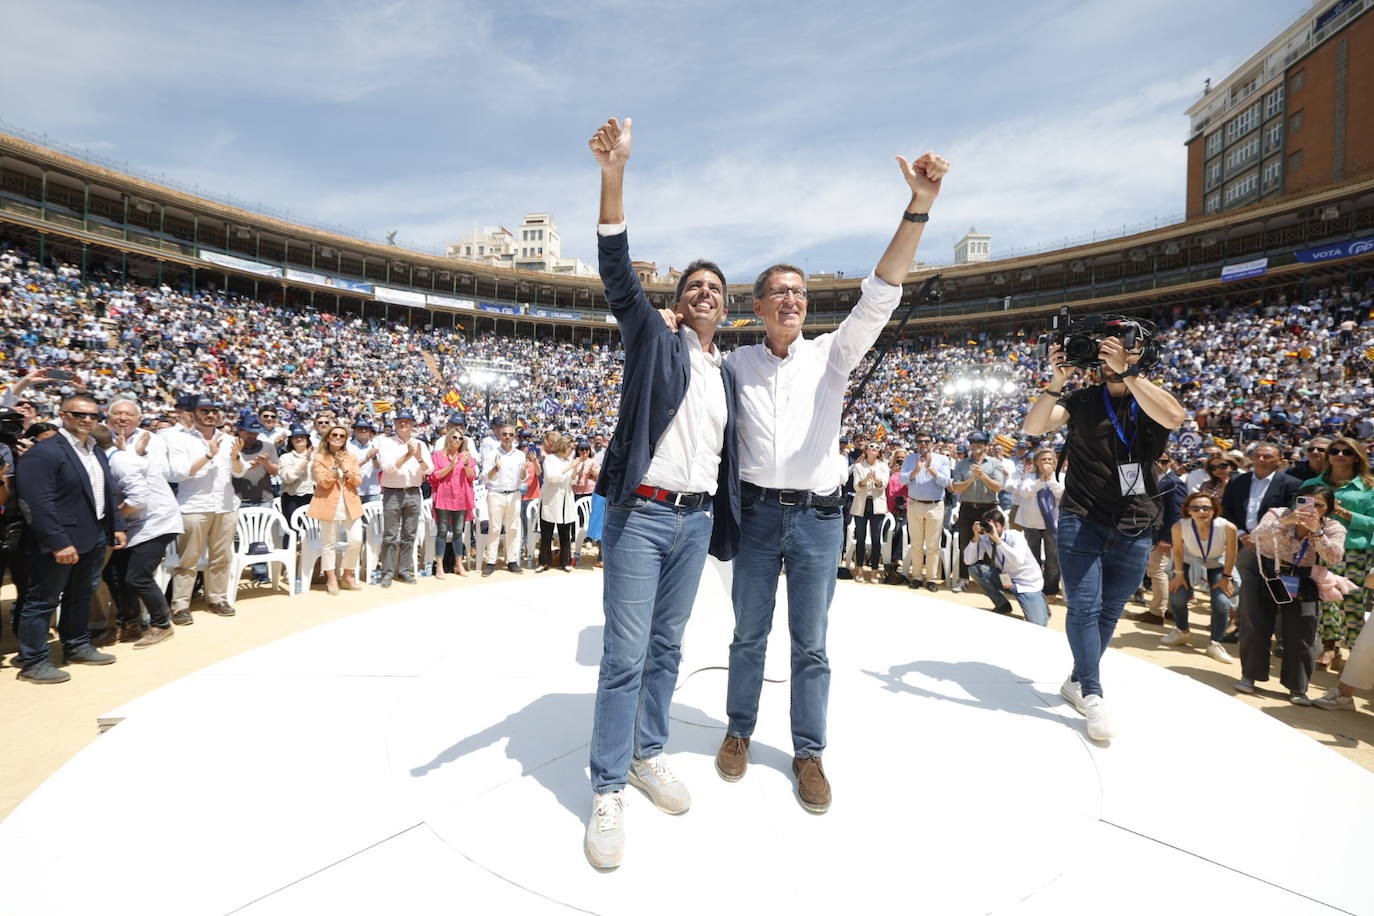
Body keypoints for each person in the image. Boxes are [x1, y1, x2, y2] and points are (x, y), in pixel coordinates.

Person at [718, 144, 949, 816]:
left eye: (800, 291)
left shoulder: (834, 354)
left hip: (819, 517)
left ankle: (807, 751)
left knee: (811, 643)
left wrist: (919, 206)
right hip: (758, 515)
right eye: (780, 291)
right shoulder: (735, 366)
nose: (793, 298)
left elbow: (881, 292)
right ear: (758, 305)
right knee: (746, 635)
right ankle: (738, 731)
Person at [584, 116, 741, 870]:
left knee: (669, 648)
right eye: (692, 285)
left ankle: (647, 753)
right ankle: (608, 785)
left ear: (725, 307)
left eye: (714, 287)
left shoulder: (727, 372)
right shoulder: (655, 339)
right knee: (624, 653)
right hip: (643, 514)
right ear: (678, 302)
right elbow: (617, 273)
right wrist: (615, 173)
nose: (703, 292)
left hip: (696, 522)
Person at [1023, 334, 1186, 742]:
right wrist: (1057, 380)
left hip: (1136, 520)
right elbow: (1033, 427)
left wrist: (1129, 374)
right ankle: (1093, 694)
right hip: (1082, 515)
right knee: (1084, 606)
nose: (1111, 358)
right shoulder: (1081, 400)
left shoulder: (1148, 397)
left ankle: (1077, 679)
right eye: (1107, 351)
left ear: (1140, 356)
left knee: (1111, 609)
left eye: (1124, 349)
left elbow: (1174, 418)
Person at [12, 395, 127, 683]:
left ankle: (76, 645)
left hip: (94, 536)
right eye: (79, 414)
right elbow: (37, 503)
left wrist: (116, 525)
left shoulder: (95, 450)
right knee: (42, 600)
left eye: (93, 416)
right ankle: (34, 661)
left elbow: (105, 492)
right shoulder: (45, 452)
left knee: (81, 595)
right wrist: (57, 542)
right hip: (61, 542)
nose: (87, 420)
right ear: (63, 415)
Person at [1235, 484, 1346, 703]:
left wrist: (1317, 532)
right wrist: (1285, 522)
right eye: (1305, 501)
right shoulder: (1277, 513)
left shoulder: (1334, 527)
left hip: (1303, 579)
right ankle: (1249, 675)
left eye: (1319, 505)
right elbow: (1255, 538)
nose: (1310, 508)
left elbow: (1334, 557)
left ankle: (1298, 687)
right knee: (1255, 625)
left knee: (1302, 632)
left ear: (1329, 508)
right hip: (1265, 573)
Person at [165, 395, 247, 622]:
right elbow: (179, 473)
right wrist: (209, 454)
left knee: (222, 557)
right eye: (205, 411)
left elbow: (239, 472)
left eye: (214, 411)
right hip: (195, 505)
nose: (211, 415)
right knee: (188, 559)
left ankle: (217, 598)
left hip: (226, 505)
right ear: (193, 414)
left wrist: (236, 457)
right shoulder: (181, 439)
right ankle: (180, 605)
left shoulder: (229, 439)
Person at [104, 416, 183, 649]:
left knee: (137, 576)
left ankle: (162, 624)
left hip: (157, 523)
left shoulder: (122, 460)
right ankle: (130, 623)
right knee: (115, 574)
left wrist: (114, 519)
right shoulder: (121, 456)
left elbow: (138, 498)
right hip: (137, 524)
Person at [1305, 437, 1374, 671]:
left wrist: (1345, 514)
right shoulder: (1312, 483)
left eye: (1347, 451)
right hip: (1319, 547)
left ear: (1357, 456)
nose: (1340, 455)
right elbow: (1301, 513)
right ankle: (1329, 647)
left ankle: (1355, 651)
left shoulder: (1369, 486)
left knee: (1353, 601)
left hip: (1356, 549)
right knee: (1324, 597)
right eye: (1335, 450)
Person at [1159, 492, 1237, 663]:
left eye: (1205, 508)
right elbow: (1178, 551)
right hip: (1188, 562)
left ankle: (1215, 643)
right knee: (1178, 596)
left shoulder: (1227, 527)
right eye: (1195, 508)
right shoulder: (1180, 526)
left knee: (1222, 602)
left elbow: (1231, 553)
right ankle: (1182, 631)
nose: (1201, 511)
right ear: (1188, 510)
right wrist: (1178, 575)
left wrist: (1226, 577)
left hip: (1218, 564)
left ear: (1213, 509)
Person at [962, 507, 1051, 625]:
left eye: (995, 526)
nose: (991, 529)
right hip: (1005, 579)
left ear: (1003, 526)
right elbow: (968, 561)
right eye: (988, 525)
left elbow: (1017, 560)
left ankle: (1040, 602)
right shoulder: (985, 538)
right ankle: (1002, 605)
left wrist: (999, 541)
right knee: (975, 570)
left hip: (1026, 584)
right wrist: (976, 537)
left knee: (1038, 624)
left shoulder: (1015, 536)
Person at [374, 409, 432, 587]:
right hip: (392, 492)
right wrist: (408, 456)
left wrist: (419, 458)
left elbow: (429, 470)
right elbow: (387, 468)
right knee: (390, 535)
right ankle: (387, 572)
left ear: (413, 424)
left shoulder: (420, 444)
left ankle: (404, 570)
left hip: (414, 492)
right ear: (395, 423)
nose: (403, 424)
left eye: (407, 421)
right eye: (400, 421)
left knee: (409, 535)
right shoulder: (386, 443)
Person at [308, 425, 364, 594]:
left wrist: (345, 468)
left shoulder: (351, 457)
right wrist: (335, 467)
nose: (338, 437)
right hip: (328, 504)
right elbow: (323, 482)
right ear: (327, 437)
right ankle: (331, 578)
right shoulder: (319, 457)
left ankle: (347, 575)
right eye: (334, 434)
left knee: (356, 540)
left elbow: (357, 480)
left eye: (342, 435)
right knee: (328, 543)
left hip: (350, 504)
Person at [950, 432, 1007, 593]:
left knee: (992, 544)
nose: (976, 445)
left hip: (988, 509)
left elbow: (998, 487)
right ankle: (963, 578)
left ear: (986, 444)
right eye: (973, 442)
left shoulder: (995, 463)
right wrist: (972, 479)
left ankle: (991, 581)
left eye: (980, 442)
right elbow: (956, 488)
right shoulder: (962, 464)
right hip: (967, 507)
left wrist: (982, 476)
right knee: (965, 544)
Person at [900, 430, 952, 591]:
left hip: (935, 505)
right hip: (915, 504)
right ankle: (916, 576)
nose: (923, 444)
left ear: (932, 442)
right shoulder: (909, 459)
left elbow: (946, 482)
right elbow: (902, 479)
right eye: (920, 441)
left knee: (933, 545)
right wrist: (915, 470)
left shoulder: (942, 459)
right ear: (916, 443)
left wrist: (930, 469)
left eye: (926, 441)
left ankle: (931, 579)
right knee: (915, 543)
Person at [1012, 447, 1064, 597]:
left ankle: (1050, 590)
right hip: (1031, 523)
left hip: (1052, 524)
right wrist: (1041, 481)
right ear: (1036, 462)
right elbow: (1025, 492)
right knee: (1032, 558)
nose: (1046, 462)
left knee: (1052, 559)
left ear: (1054, 462)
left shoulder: (1060, 476)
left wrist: (1050, 479)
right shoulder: (1029, 476)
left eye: (1049, 459)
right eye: (1043, 459)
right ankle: (1034, 588)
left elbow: (1061, 493)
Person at [428, 429, 475, 578]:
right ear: (448, 438)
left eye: (460, 438)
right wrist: (450, 466)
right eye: (454, 437)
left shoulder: (466, 456)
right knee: (442, 531)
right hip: (443, 497)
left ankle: (458, 564)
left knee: (458, 532)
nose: (457, 440)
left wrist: (466, 464)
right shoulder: (437, 456)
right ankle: (439, 566)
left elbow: (471, 477)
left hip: (460, 498)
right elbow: (434, 476)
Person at [481, 425, 525, 576]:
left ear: (514, 437)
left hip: (514, 494)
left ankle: (512, 561)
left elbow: (523, 478)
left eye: (510, 434)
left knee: (513, 528)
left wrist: (524, 473)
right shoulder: (491, 454)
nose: (507, 437)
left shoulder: (520, 455)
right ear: (500, 435)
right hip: (496, 494)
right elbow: (486, 477)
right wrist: (496, 468)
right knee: (494, 529)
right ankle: (491, 561)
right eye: (504, 434)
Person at [848, 442, 889, 583]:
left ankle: (874, 570)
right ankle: (859, 568)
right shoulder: (859, 466)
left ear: (879, 452)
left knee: (876, 539)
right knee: (860, 537)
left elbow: (884, 485)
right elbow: (856, 486)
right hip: (861, 503)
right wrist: (865, 480)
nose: (874, 449)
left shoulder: (883, 466)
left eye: (877, 447)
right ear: (866, 450)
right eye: (871, 447)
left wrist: (876, 479)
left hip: (877, 503)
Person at [537, 435, 579, 572]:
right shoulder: (550, 459)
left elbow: (573, 481)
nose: (571, 451)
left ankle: (565, 561)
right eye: (570, 448)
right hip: (551, 501)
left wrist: (575, 470)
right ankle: (544, 562)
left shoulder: (570, 460)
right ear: (563, 446)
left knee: (565, 534)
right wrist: (569, 467)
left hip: (566, 501)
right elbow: (551, 477)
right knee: (546, 534)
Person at [277, 425, 316, 524]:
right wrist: (305, 461)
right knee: (293, 530)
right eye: (295, 437)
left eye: (302, 437)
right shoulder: (285, 457)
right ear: (291, 441)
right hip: (292, 498)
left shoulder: (316, 455)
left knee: (312, 530)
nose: (299, 439)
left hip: (314, 497)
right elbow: (288, 478)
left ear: (307, 439)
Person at [348, 419, 383, 504]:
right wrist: (366, 459)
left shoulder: (375, 445)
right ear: (355, 431)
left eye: (366, 429)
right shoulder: (348, 446)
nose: (363, 431)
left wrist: (374, 458)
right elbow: (349, 468)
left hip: (373, 489)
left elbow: (378, 469)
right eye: (360, 428)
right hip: (355, 490)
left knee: (373, 517)